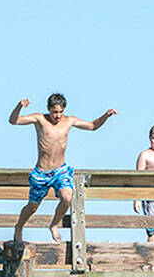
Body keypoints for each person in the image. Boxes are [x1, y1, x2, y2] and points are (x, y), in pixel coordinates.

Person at [9, 93, 117, 242]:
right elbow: (13, 121)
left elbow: (92, 126)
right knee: (33, 206)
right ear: (48, 109)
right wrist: (19, 106)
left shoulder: (69, 121)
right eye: (54, 112)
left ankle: (54, 224)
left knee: (67, 197)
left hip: (60, 170)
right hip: (41, 172)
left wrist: (106, 115)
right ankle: (19, 226)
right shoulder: (39, 119)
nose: (58, 116)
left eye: (60, 112)